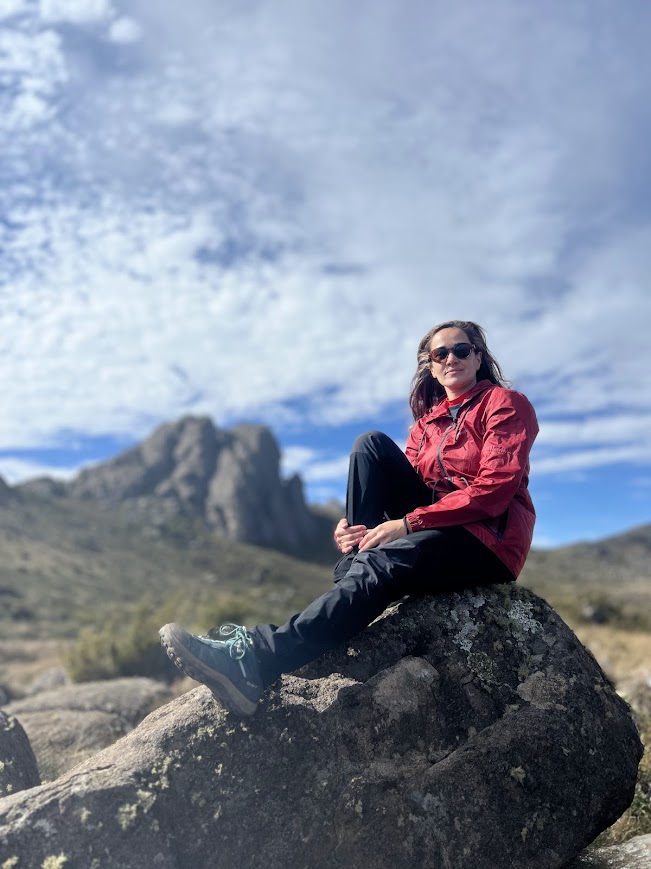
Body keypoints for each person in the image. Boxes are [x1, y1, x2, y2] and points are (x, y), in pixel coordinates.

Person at [160, 319, 539, 718]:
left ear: (478, 356)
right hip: (438, 528)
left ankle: (258, 659)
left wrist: (408, 525)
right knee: (369, 444)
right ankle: (357, 564)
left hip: (486, 539)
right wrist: (355, 527)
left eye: (461, 350)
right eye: (439, 354)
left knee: (381, 561)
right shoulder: (427, 424)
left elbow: (495, 490)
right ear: (429, 365)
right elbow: (401, 486)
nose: (451, 359)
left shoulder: (505, 404)